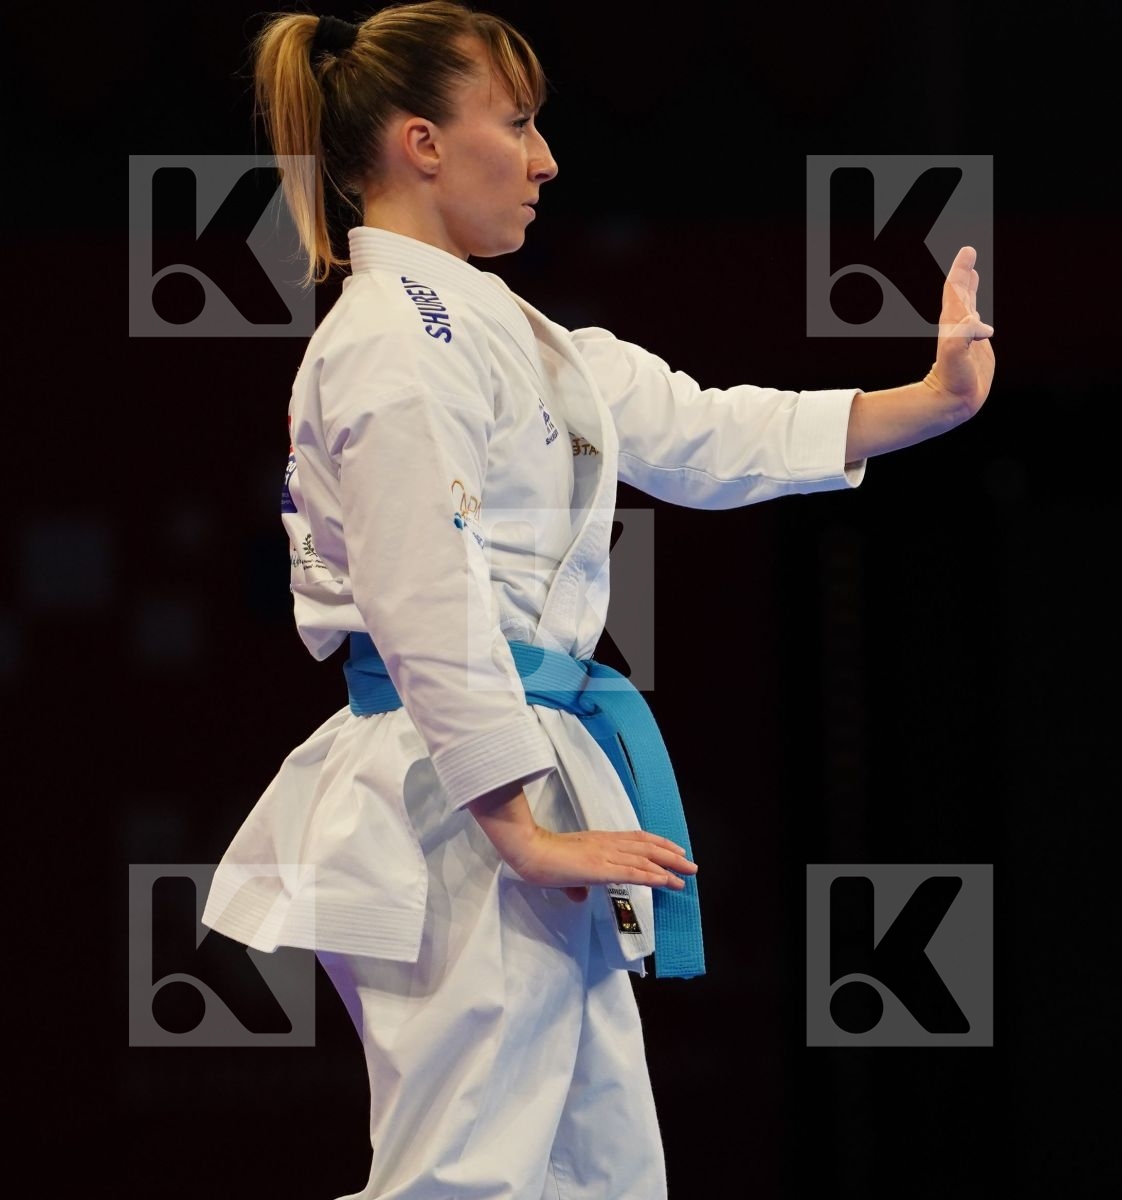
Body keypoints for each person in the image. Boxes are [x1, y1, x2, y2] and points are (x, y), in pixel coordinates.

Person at [197, 2, 995, 1197]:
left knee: (595, 1170)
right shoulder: (387, 345)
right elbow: (427, 598)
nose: (543, 158)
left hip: (522, 770)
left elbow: (705, 427)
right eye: (514, 123)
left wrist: (928, 401)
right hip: (454, 793)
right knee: (465, 1173)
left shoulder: (518, 334)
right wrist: (517, 827)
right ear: (422, 143)